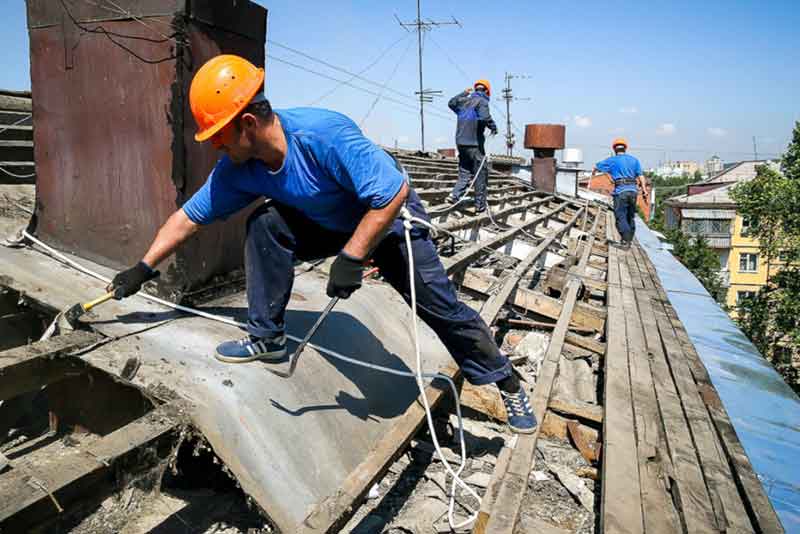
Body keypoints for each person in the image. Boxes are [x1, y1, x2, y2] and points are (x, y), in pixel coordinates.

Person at [107, 55, 536, 434]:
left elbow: (390, 195)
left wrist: (352, 257)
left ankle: (505, 381)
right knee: (266, 221)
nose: (216, 145)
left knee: (439, 308)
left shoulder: (322, 133)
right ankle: (267, 337)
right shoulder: (238, 168)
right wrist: (143, 268)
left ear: (249, 124)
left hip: (388, 221)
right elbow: (188, 218)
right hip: (330, 223)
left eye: (220, 135)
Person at [445, 80, 498, 213]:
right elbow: (485, 117)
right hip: (474, 144)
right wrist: (493, 127)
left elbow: (451, 102)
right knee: (480, 174)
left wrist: (464, 92)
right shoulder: (482, 101)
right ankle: (480, 207)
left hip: (461, 143)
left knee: (465, 172)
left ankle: (454, 196)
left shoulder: (463, 101)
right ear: (486, 91)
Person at [593, 137, 647, 246]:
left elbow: (596, 166)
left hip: (620, 191)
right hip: (633, 191)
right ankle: (629, 239)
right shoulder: (634, 160)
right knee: (630, 216)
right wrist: (645, 190)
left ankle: (626, 241)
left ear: (614, 149)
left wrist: (594, 172)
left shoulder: (612, 160)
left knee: (620, 216)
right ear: (625, 148)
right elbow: (641, 176)